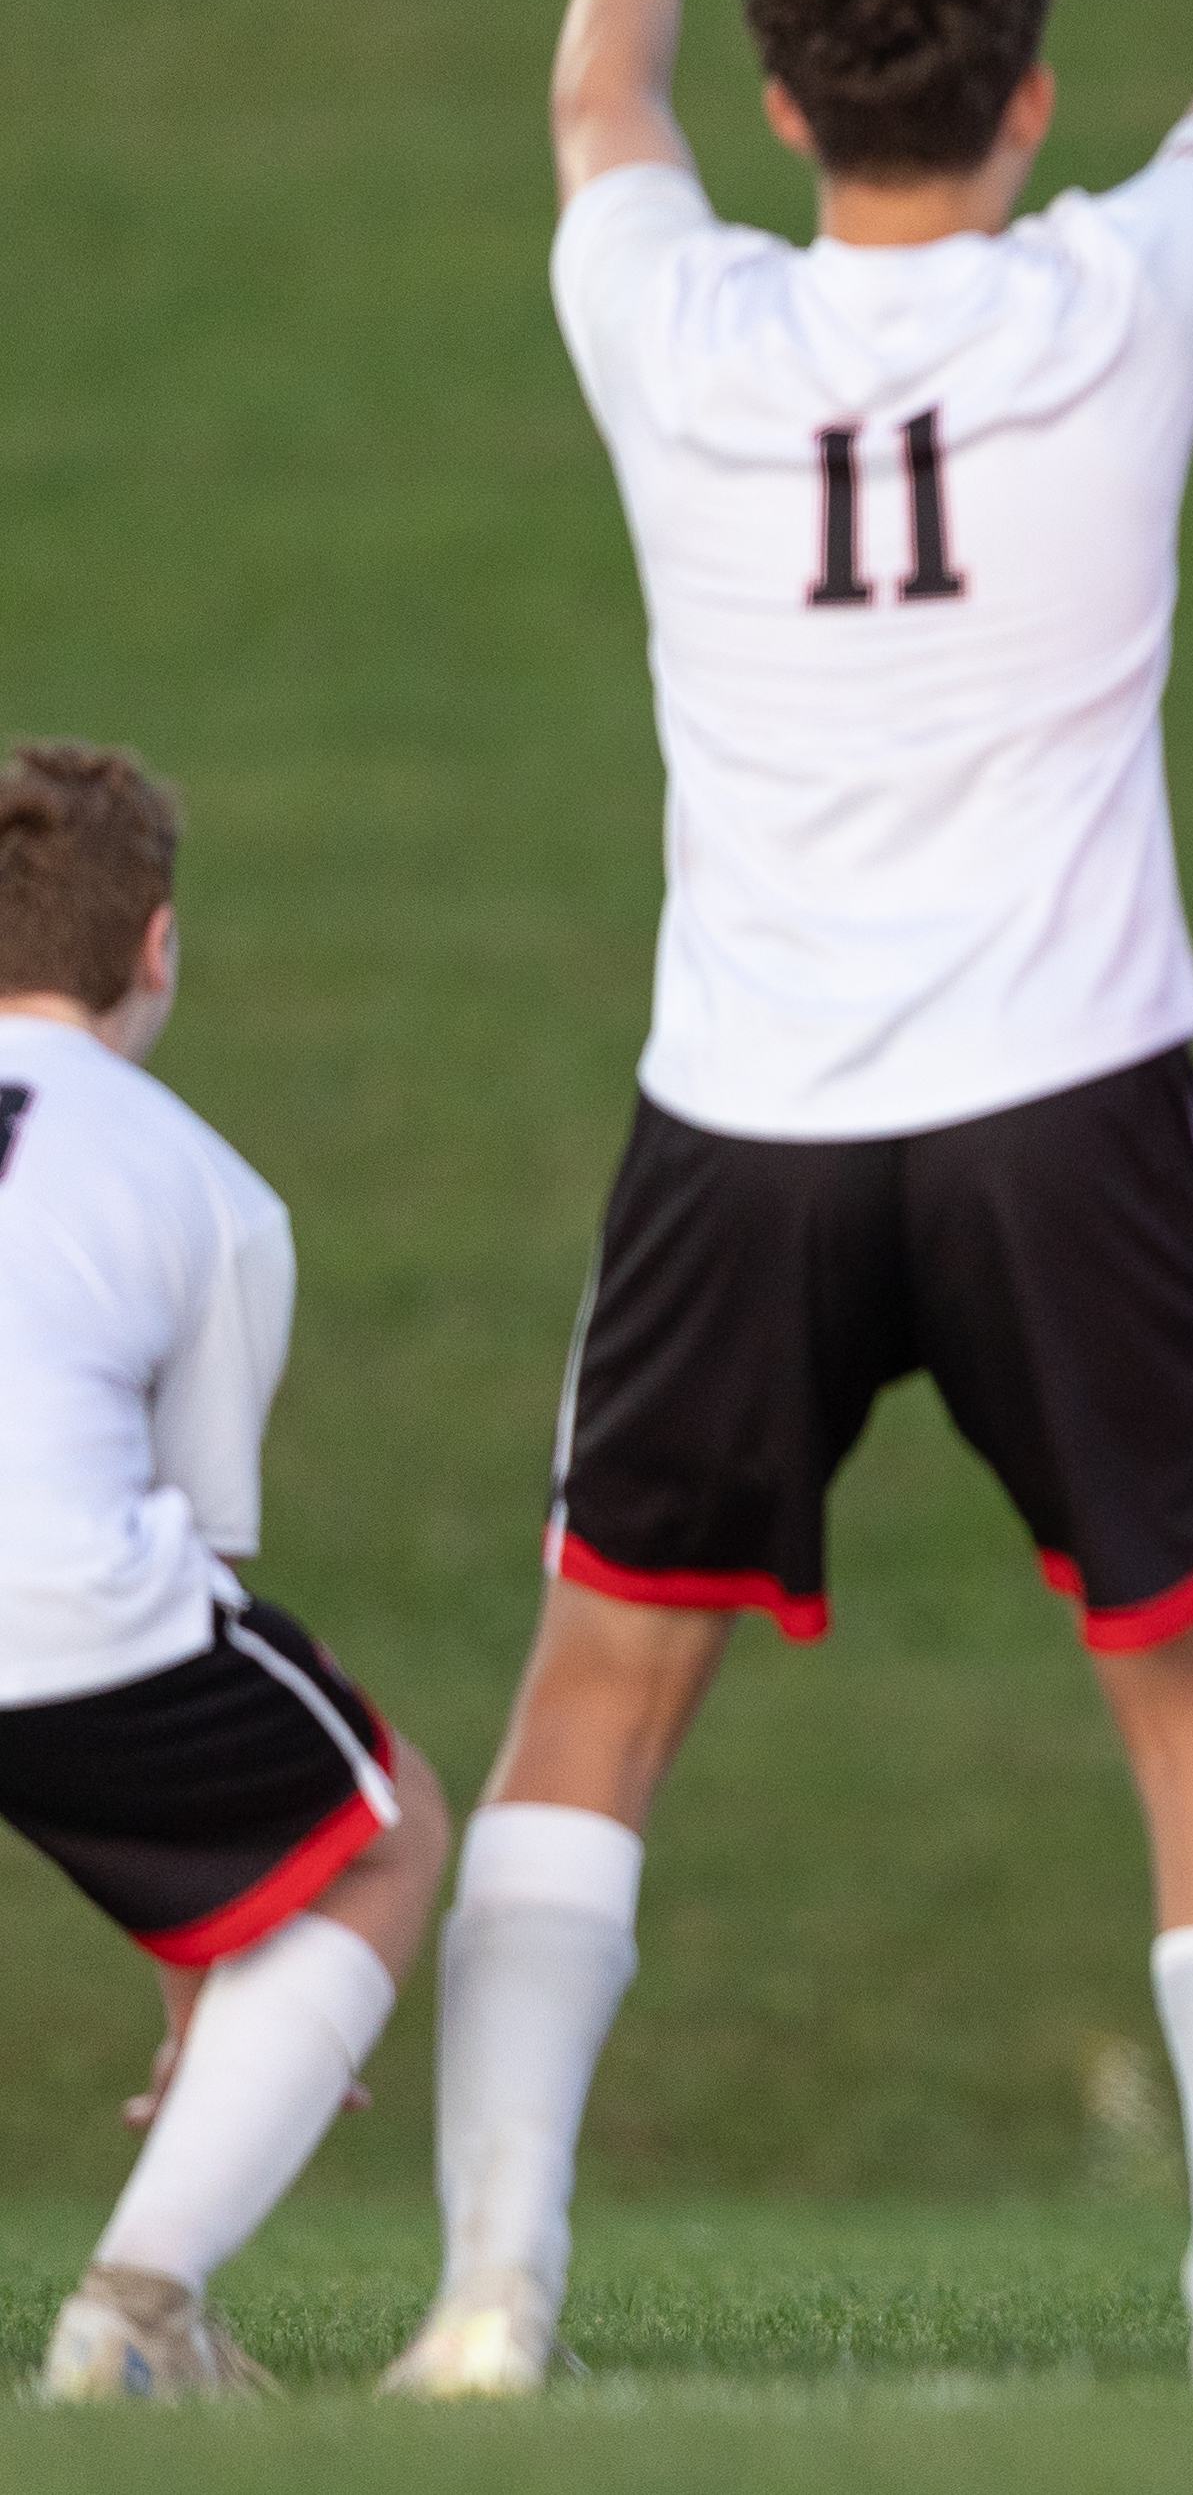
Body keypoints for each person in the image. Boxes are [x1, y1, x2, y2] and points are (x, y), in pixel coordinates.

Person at [380, 0, 1193, 2402]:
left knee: (601, 1676)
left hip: (749, 1114)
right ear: (1034, 94)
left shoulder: (681, 332)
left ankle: (485, 2295)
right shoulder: (1117, 304)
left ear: (798, 111)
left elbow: (596, 120)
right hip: (1071, 1099)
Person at [0, 742, 455, 2403]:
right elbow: (181, 1584)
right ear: (159, 947)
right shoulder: (210, 1188)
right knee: (385, 1833)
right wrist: (225, 1949)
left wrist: (210, 1924)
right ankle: (137, 2310)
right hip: (50, 1611)